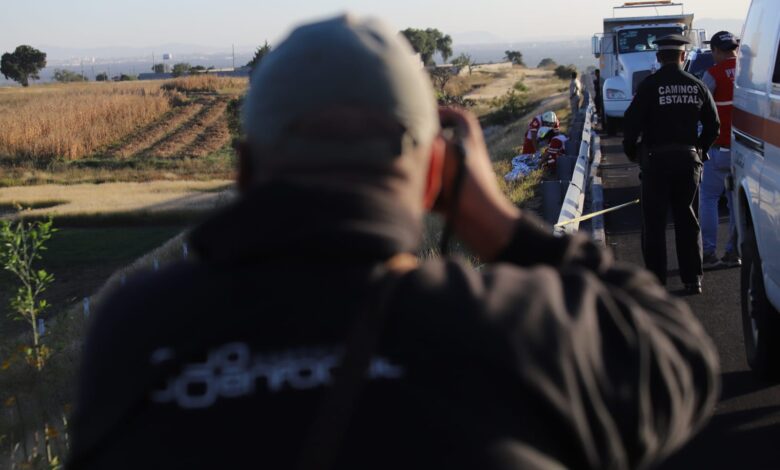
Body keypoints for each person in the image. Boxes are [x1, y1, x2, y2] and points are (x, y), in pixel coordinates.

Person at [69, 17, 719, 470]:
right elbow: (676, 356)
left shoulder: (139, 334)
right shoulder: (521, 330)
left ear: (243, 173)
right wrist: (495, 220)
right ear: (437, 174)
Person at [623, 35, 720, 294]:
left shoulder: (649, 86)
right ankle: (692, 279)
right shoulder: (697, 85)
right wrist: (699, 149)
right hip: (688, 161)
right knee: (688, 221)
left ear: (658, 57)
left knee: (653, 224)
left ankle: (656, 282)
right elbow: (713, 125)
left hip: (655, 162)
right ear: (683, 56)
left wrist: (632, 152)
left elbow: (631, 123)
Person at [700, 31, 740, 269]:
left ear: (716, 50)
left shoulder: (713, 74)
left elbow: (699, 109)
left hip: (718, 148)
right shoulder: (749, 73)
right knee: (737, 204)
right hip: (745, 150)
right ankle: (734, 252)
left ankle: (708, 253)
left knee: (709, 198)